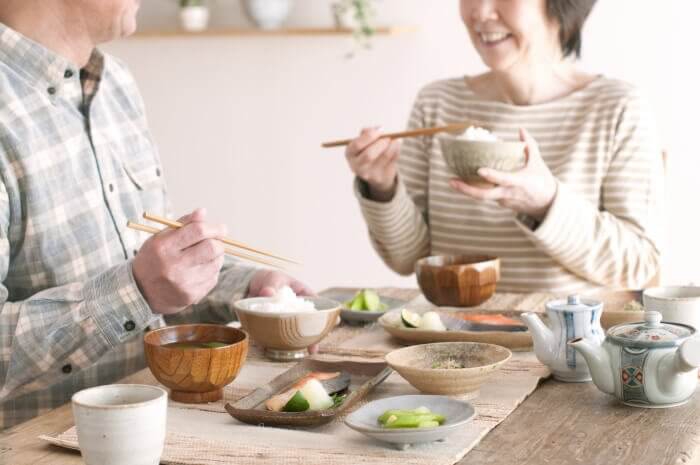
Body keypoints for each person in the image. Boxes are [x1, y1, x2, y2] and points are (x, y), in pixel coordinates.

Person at [0, 0, 311, 429]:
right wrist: (136, 290)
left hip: (148, 430)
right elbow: (141, 284)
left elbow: (151, 272)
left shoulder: (115, 84)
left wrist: (251, 288)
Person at [345, 0, 662, 294]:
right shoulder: (437, 103)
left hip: (563, 350)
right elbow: (406, 259)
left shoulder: (617, 108)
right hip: (449, 342)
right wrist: (382, 188)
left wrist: (546, 203)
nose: (481, 12)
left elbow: (637, 265)